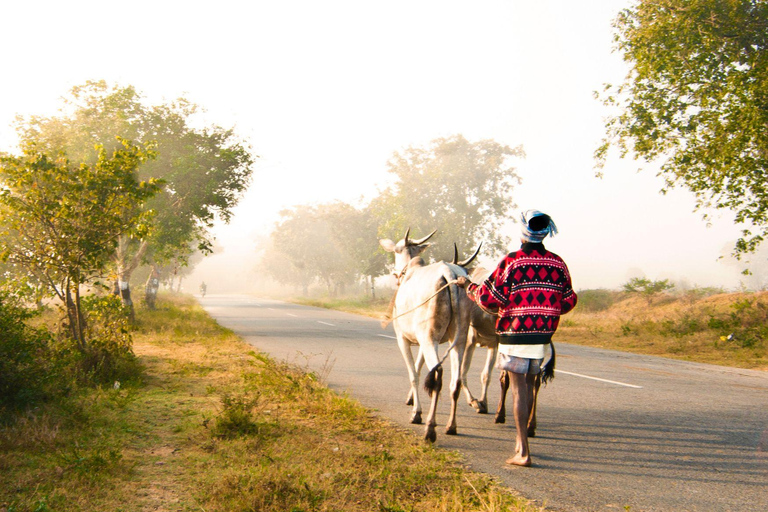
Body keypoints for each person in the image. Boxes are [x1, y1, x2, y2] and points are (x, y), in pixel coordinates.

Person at [456, 209, 577, 467]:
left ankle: (523, 451)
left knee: (518, 389)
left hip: (515, 333)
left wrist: (468, 287)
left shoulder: (512, 261)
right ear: (545, 232)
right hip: (543, 336)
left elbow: (491, 299)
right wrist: (547, 310)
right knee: (530, 385)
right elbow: (569, 300)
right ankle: (521, 443)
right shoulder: (558, 263)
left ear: (523, 231)